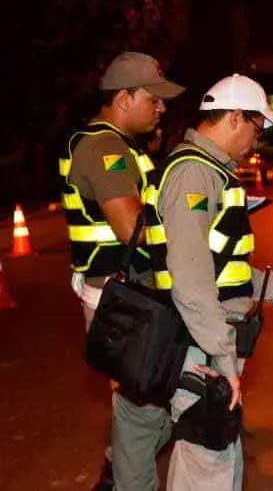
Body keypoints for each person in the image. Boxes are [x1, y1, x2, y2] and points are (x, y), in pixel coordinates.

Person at [141, 73, 273, 490]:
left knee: (212, 461)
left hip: (206, 343)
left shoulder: (208, 171)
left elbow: (227, 271)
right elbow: (190, 280)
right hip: (200, 346)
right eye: (257, 127)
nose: (257, 140)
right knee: (207, 464)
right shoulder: (194, 175)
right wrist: (224, 359)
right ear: (234, 117)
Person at [58, 51, 184, 490]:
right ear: (125, 98)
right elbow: (133, 228)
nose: (162, 108)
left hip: (130, 298)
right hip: (125, 303)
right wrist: (187, 225)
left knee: (157, 407)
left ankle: (118, 466)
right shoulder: (105, 148)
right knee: (149, 413)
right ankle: (122, 474)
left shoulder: (118, 146)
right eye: (155, 100)